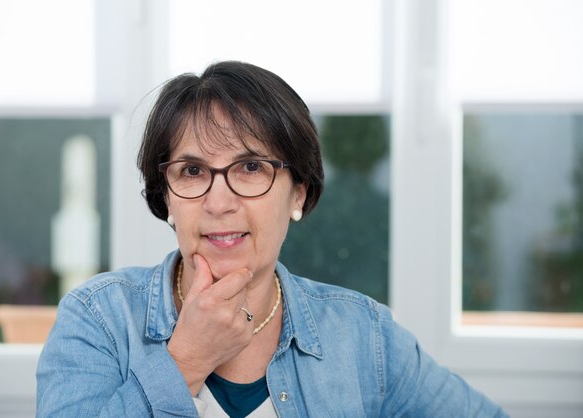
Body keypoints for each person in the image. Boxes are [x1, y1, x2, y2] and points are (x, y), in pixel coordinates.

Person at [36, 61, 508, 417]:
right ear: (167, 196)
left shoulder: (365, 338)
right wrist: (184, 362)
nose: (219, 202)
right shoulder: (97, 319)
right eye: (193, 170)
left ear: (298, 194)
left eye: (250, 168)